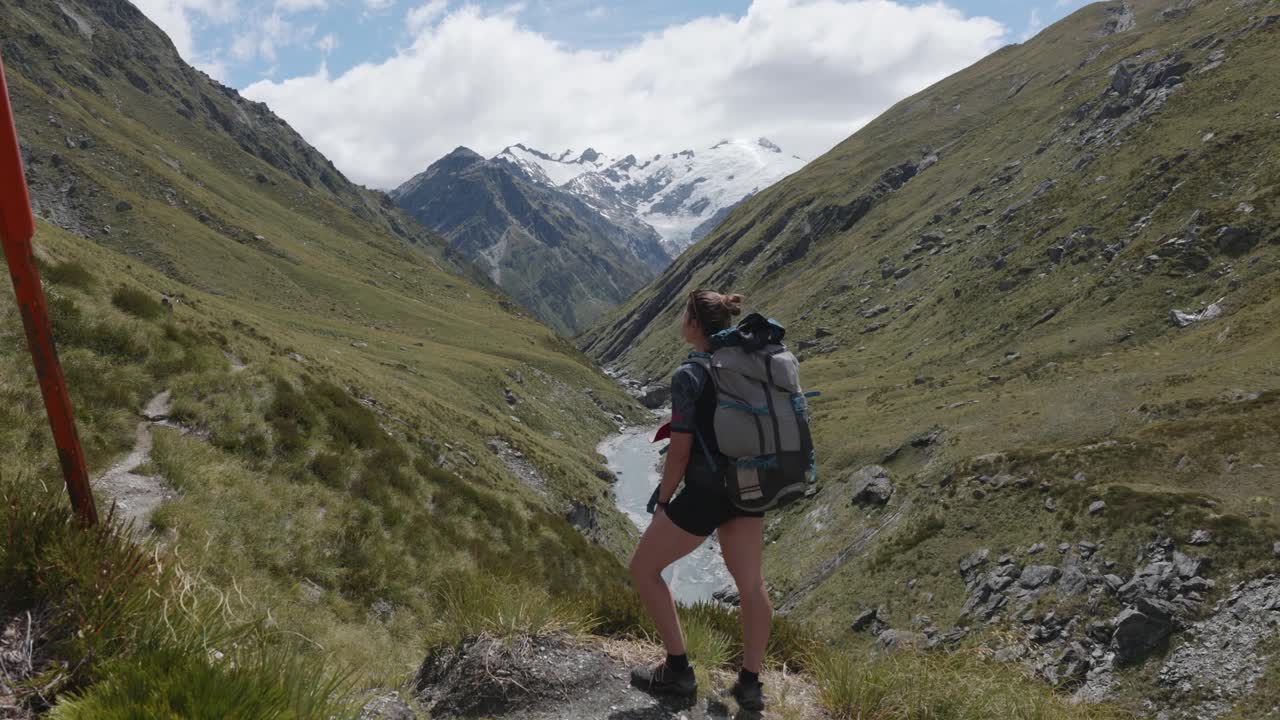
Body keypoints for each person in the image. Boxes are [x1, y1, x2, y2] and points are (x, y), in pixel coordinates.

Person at [629, 289, 769, 713]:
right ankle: (749, 685)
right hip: (749, 486)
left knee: (644, 569)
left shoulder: (689, 375)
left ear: (694, 323)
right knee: (751, 585)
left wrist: (664, 500)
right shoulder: (749, 364)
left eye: (683, 314)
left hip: (707, 492)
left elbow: (682, 450)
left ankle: (678, 671)